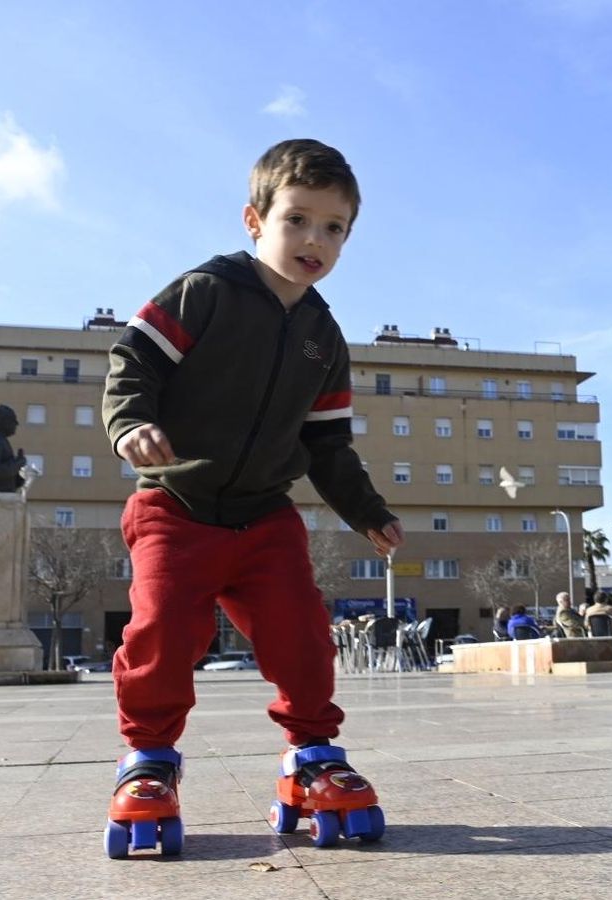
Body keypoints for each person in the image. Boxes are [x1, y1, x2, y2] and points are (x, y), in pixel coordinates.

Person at [100, 139, 403, 853]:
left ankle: (312, 755)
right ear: (253, 219)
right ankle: (147, 761)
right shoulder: (204, 292)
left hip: (265, 517)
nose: (314, 241)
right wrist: (132, 424)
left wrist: (367, 511)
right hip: (175, 505)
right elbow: (132, 359)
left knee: (300, 632)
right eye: (297, 219)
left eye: (334, 228)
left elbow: (328, 443)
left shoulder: (323, 337)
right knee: (163, 633)